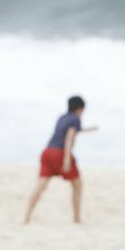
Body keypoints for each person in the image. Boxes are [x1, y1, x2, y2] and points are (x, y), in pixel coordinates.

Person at [24, 95, 97, 224]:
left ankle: (27, 216)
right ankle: (76, 218)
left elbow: (66, 132)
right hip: (60, 153)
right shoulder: (75, 119)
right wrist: (67, 159)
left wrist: (90, 129)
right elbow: (69, 137)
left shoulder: (62, 118)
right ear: (80, 109)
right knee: (77, 185)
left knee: (41, 185)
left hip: (47, 152)